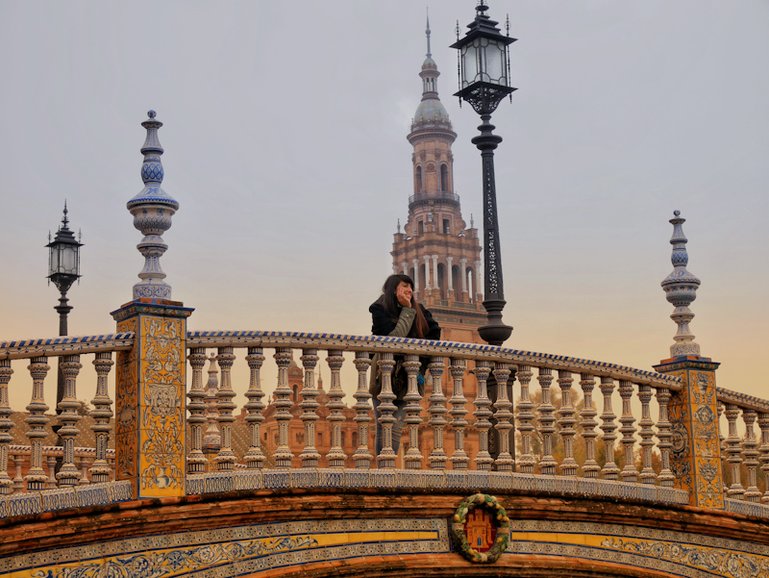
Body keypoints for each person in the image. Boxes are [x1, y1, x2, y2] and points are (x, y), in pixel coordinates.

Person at [369, 274, 441, 456]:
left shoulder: (422, 312)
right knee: (383, 426)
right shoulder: (379, 309)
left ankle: (386, 467)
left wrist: (421, 370)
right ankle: (384, 470)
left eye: (411, 287)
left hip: (409, 380)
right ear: (394, 289)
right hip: (384, 378)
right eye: (405, 286)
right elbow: (393, 340)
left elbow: (434, 336)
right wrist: (408, 311)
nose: (410, 290)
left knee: (395, 427)